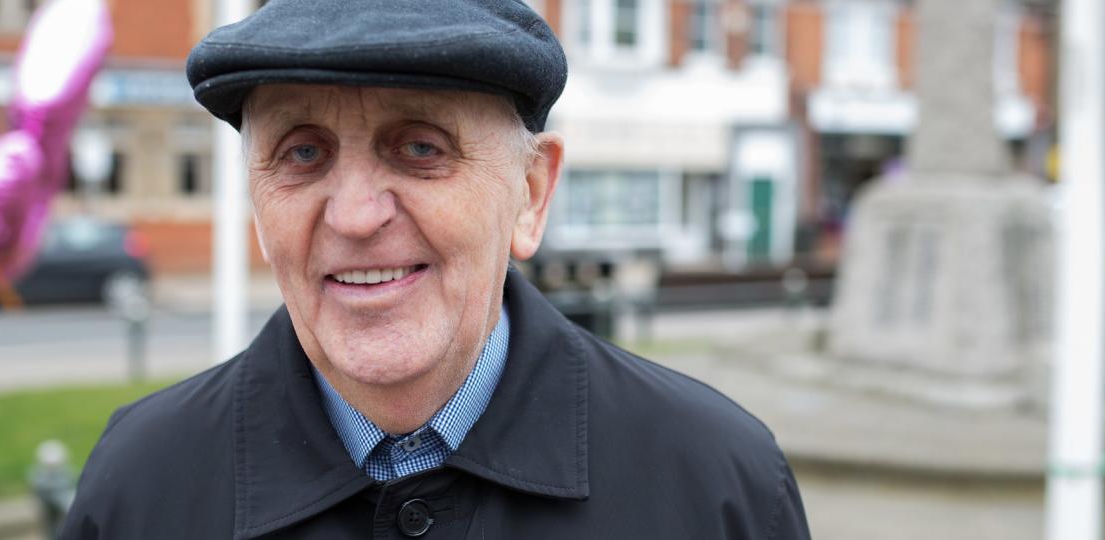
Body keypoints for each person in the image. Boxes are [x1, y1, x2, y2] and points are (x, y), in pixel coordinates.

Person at [61, 1, 810, 538]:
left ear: (530, 193)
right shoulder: (141, 484)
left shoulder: (715, 485)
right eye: (302, 153)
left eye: (420, 148)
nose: (354, 215)